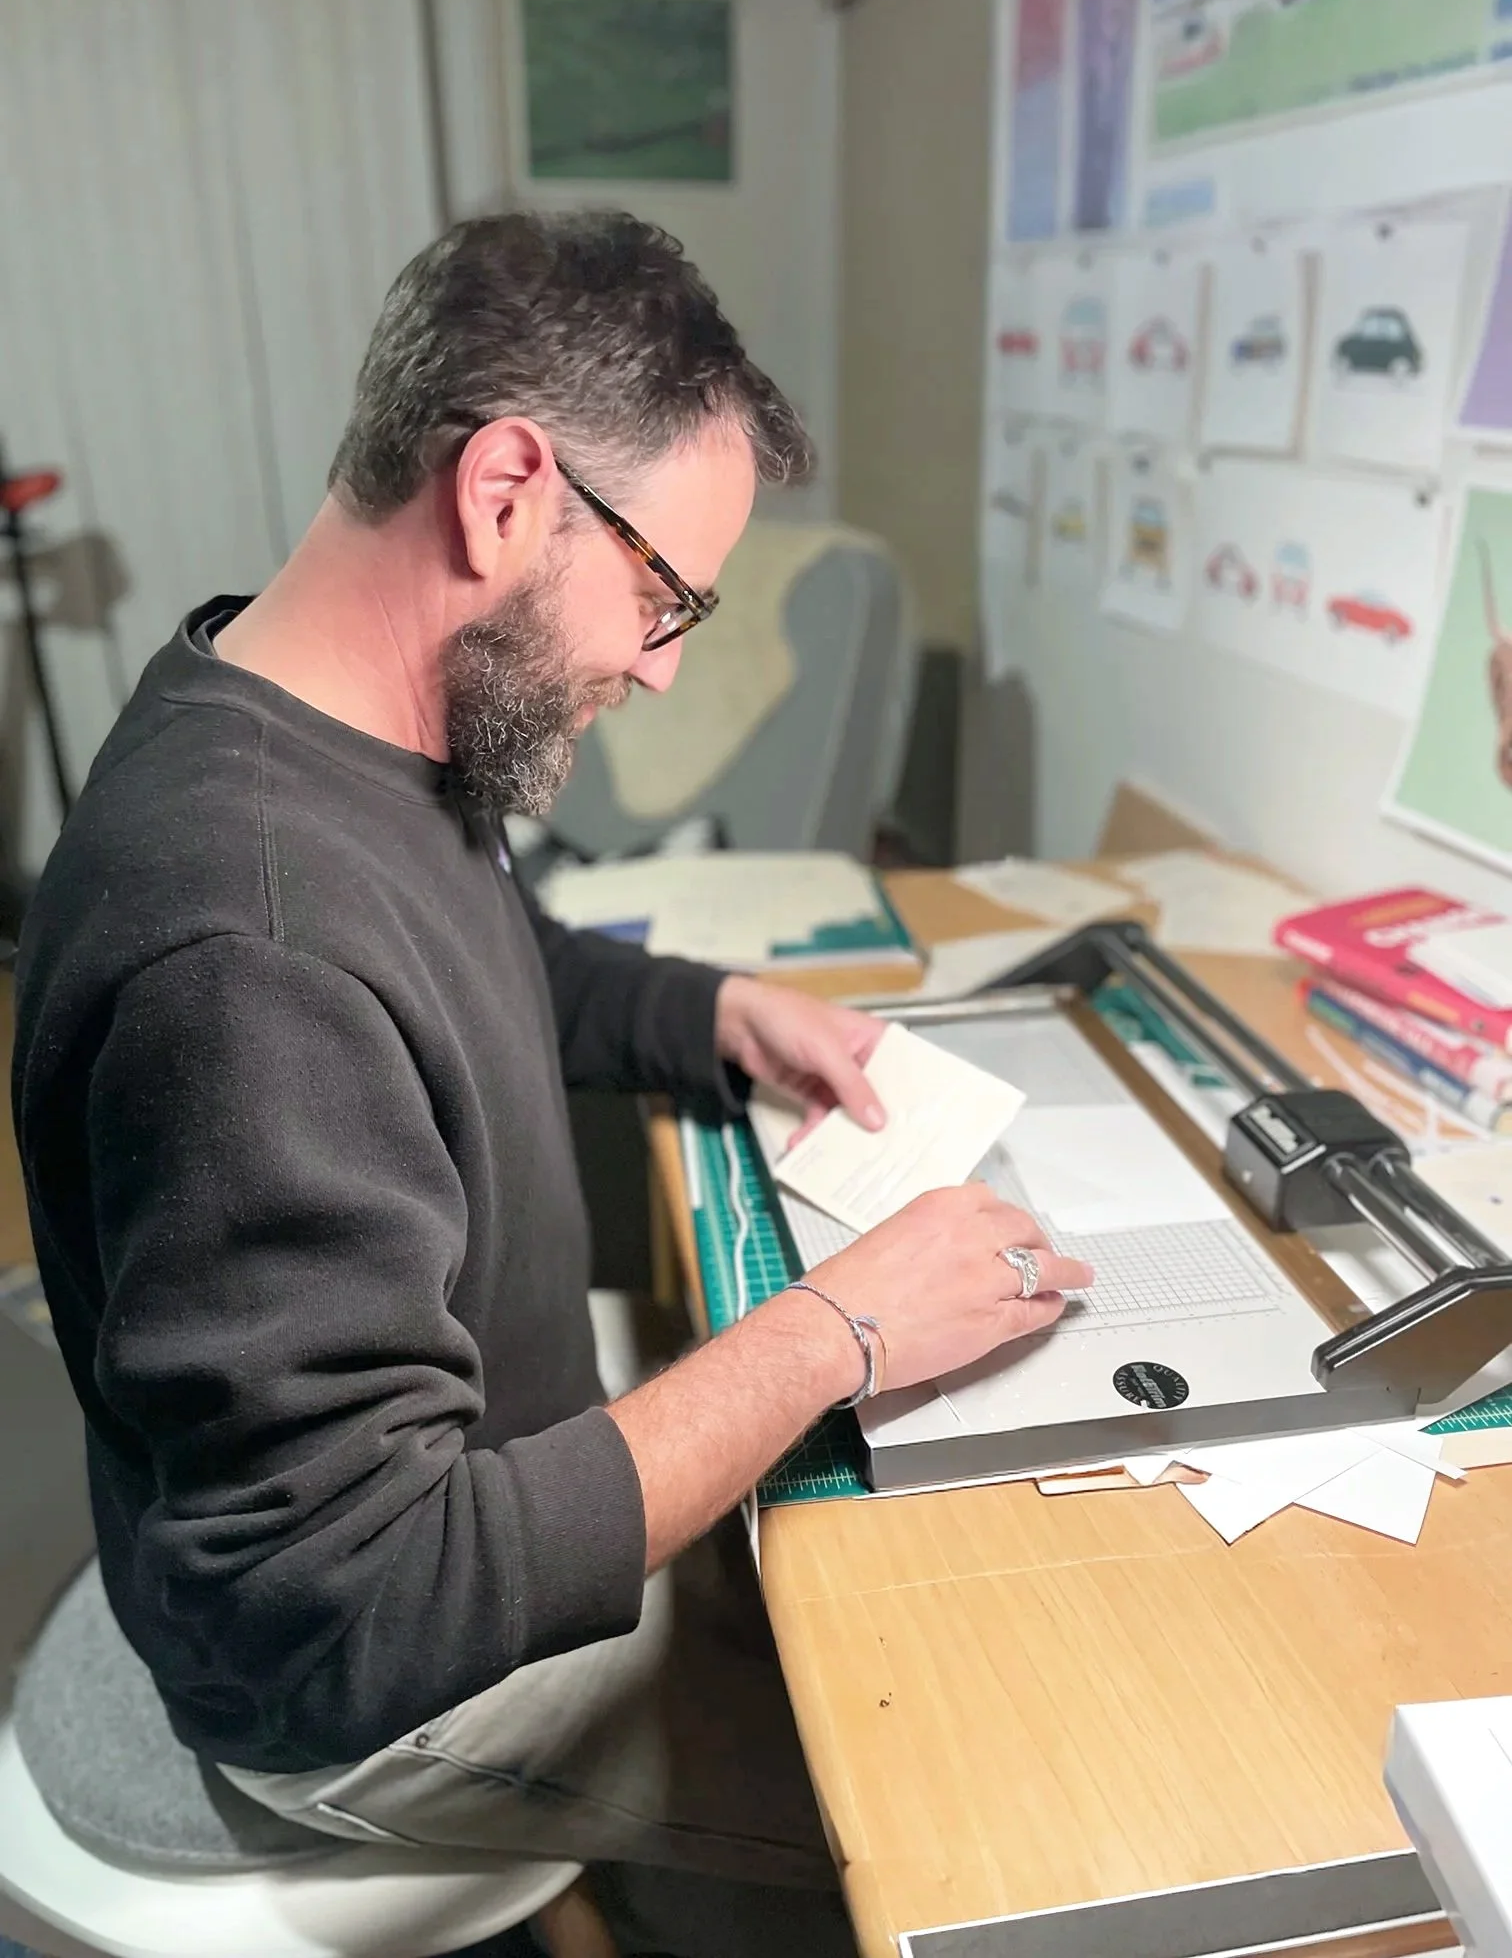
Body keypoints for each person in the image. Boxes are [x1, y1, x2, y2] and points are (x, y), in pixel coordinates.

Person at [11, 212, 1089, 1957]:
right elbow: (358, 1603)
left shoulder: (335, 721)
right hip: (381, 1686)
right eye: (665, 597)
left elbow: (485, 960)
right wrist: (839, 1328)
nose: (663, 663)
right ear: (508, 490)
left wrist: (719, 1008)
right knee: (965, 1771)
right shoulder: (246, 952)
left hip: (487, 1458)